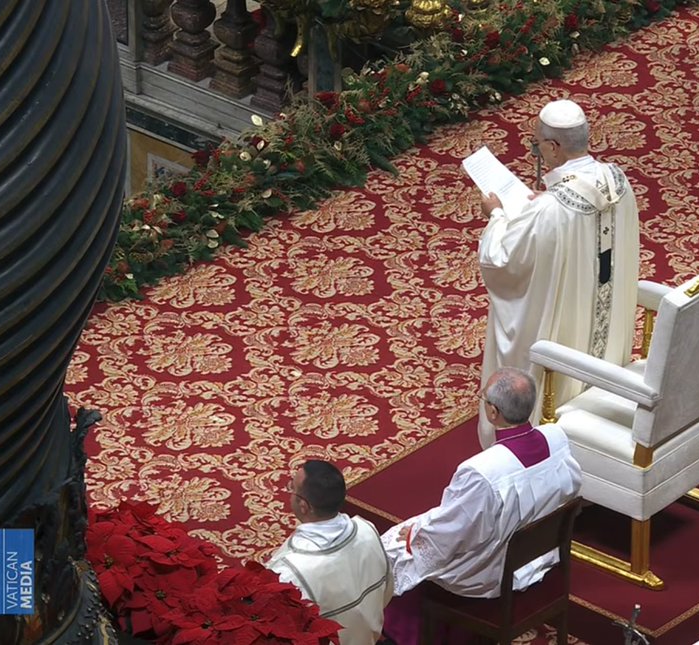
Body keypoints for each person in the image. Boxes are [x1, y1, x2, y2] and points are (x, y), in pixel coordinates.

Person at [476, 99, 641, 448]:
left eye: (537, 145)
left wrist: (496, 216)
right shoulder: (618, 180)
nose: (537, 151)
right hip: (602, 315)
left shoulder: (551, 210)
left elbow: (501, 261)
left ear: (552, 147)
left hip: (566, 323)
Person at [379, 368, 583, 644]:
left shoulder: (482, 472)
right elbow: (569, 490)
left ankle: (409, 634)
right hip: (538, 555)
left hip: (491, 573)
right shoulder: (556, 439)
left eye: (483, 399)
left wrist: (414, 536)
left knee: (391, 549)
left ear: (493, 412)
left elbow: (450, 536)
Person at [267, 460, 393, 645]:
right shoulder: (367, 530)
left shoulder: (289, 570)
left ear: (303, 505)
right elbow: (387, 590)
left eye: (291, 488)